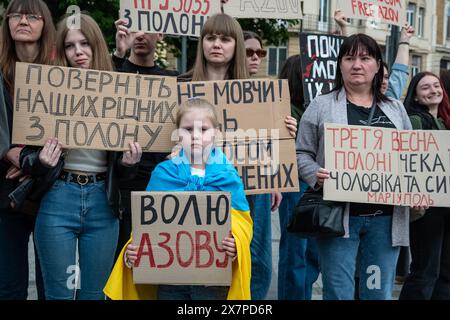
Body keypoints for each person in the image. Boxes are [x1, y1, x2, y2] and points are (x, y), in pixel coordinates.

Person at [19, 13, 142, 300]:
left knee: (94, 295)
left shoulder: (116, 89)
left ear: (96, 46)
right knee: (58, 294)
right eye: (70, 45)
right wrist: (41, 161)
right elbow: (27, 156)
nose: (78, 52)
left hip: (103, 200)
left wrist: (128, 163)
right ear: (61, 51)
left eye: (85, 44)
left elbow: (124, 173)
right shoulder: (47, 90)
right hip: (58, 197)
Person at [177, 13, 296, 299]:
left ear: (236, 46)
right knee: (201, 264)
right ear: (202, 43)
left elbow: (268, 143)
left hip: (248, 190)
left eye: (225, 39)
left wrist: (286, 132)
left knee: (255, 263)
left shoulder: (257, 91)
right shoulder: (178, 87)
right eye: (210, 38)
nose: (216, 44)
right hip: (193, 188)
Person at [297, 34, 412, 300]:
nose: (356, 64)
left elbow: (410, 157)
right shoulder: (321, 105)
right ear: (340, 65)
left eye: (365, 58)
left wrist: (417, 189)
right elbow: (302, 152)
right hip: (339, 220)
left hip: (385, 221)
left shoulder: (395, 109)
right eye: (349, 58)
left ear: (377, 65)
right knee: (339, 292)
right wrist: (315, 174)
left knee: (377, 293)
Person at [104, 98, 252, 300]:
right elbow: (147, 225)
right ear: (177, 134)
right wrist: (134, 252)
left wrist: (236, 245)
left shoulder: (228, 176)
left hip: (213, 284)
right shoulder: (163, 174)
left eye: (204, 129)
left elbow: (242, 223)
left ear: (217, 134)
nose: (195, 136)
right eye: (188, 129)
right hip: (170, 282)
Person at [0, 0, 55, 300]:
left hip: (49, 190)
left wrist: (31, 161)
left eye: (32, 15)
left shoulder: (61, 73)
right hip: (5, 191)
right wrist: (12, 153)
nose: (23, 20)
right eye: (16, 14)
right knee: (8, 286)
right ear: (7, 22)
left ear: (45, 23)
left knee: (51, 285)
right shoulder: (0, 70)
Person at [112, 18, 179, 259]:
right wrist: (119, 53)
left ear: (160, 34)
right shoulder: (113, 72)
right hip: (123, 189)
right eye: (133, 29)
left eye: (147, 28)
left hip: (163, 187)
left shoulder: (175, 81)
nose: (139, 35)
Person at [399, 72, 450, 300]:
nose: (433, 90)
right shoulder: (414, 121)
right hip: (427, 207)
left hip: (444, 204)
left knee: (444, 270)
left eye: (436, 86)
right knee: (426, 270)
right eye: (425, 88)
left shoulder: (441, 121)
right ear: (416, 97)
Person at [277, 54, 320, 300]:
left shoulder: (316, 106)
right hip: (295, 183)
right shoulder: (286, 110)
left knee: (311, 252)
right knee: (297, 251)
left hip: (315, 182)